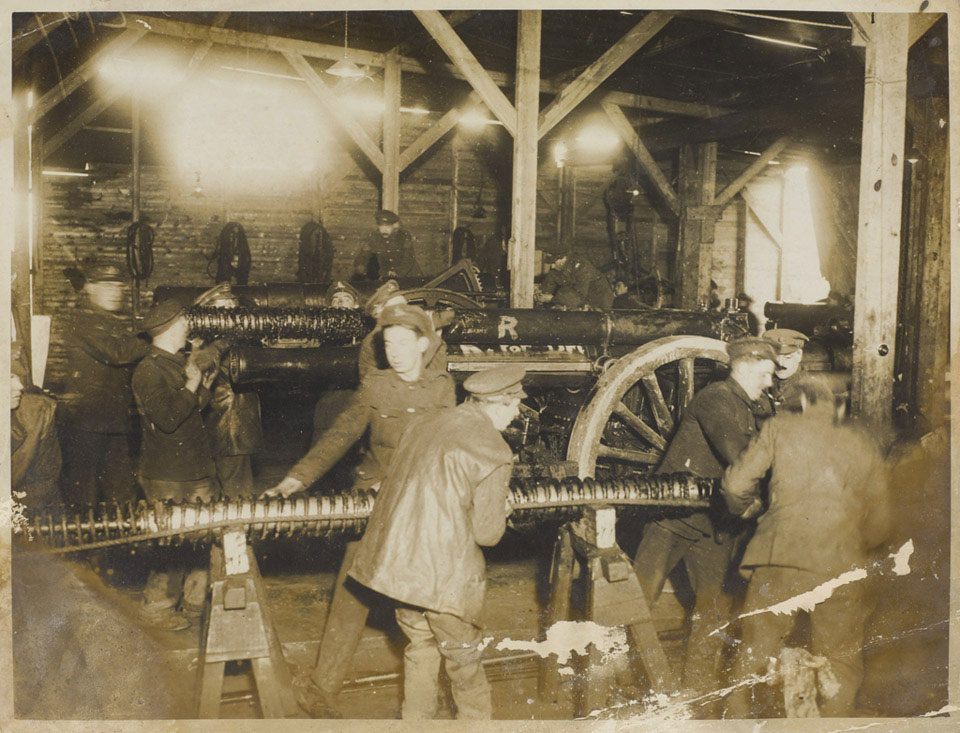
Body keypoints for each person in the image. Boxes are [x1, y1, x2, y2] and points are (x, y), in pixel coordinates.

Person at [263, 302, 455, 717]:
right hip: (373, 499)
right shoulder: (375, 386)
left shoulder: (442, 388)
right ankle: (323, 686)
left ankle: (431, 685)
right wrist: (297, 479)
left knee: (428, 597)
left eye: (404, 342)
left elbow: (445, 446)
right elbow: (340, 436)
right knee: (353, 592)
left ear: (423, 344)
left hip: (423, 500)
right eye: (389, 343)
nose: (396, 351)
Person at [349, 364, 524, 720]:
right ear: (498, 403)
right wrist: (502, 509)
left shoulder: (425, 423)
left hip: (401, 571)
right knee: (465, 665)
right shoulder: (495, 451)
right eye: (516, 404)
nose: (518, 413)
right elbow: (487, 535)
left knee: (420, 650)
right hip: (446, 581)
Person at [722, 376, 891, 718]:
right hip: (841, 565)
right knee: (841, 662)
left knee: (753, 657)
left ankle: (736, 723)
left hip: (781, 559)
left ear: (799, 404)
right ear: (838, 407)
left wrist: (748, 510)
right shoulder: (860, 442)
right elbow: (882, 521)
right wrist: (851, 543)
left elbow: (735, 483)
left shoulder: (778, 428)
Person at [632, 337, 778, 708]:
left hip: (713, 523)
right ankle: (625, 683)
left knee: (710, 609)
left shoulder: (749, 405)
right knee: (636, 604)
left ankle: (695, 689)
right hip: (674, 518)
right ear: (743, 367)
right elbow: (740, 456)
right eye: (765, 374)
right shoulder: (715, 400)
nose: (769, 382)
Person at [131, 300, 218, 631]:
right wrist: (192, 386)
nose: (188, 328)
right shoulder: (148, 370)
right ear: (167, 328)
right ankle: (157, 608)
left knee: (201, 537)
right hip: (167, 472)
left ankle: (195, 603)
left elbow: (191, 410)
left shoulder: (177, 363)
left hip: (195, 467)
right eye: (184, 322)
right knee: (169, 542)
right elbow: (168, 418)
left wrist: (202, 387)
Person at [59, 260, 148, 506]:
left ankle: (123, 544)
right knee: (84, 497)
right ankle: (84, 545)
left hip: (113, 422)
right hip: (87, 424)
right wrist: (157, 336)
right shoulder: (84, 319)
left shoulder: (111, 321)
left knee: (122, 496)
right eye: (107, 285)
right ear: (89, 288)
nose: (115, 292)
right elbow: (117, 353)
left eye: (119, 286)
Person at [201, 293, 263, 499]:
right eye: (223, 308)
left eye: (232, 307)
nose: (230, 314)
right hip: (227, 429)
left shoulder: (233, 343)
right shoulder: (213, 345)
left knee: (236, 491)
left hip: (233, 428)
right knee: (236, 493)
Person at [11, 342, 62, 511]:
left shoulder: (38, 413)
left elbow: (44, 479)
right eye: (9, 378)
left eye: (18, 377)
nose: (19, 386)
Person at [353, 209, 422, 281]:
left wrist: (398, 273)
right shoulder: (373, 238)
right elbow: (363, 257)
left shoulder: (403, 236)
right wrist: (362, 267)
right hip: (384, 277)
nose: (384, 230)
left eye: (388, 226)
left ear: (394, 226)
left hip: (407, 275)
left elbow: (408, 258)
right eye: (381, 226)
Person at [540, 253, 615, 310]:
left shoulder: (582, 267)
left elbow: (578, 296)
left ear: (563, 259)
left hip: (598, 301)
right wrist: (540, 293)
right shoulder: (557, 267)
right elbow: (548, 284)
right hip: (580, 301)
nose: (552, 266)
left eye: (554, 262)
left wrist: (553, 299)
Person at [762, 328, 809, 412]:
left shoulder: (811, 390)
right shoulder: (762, 383)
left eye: (787, 357)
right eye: (775, 357)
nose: (780, 364)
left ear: (799, 355)